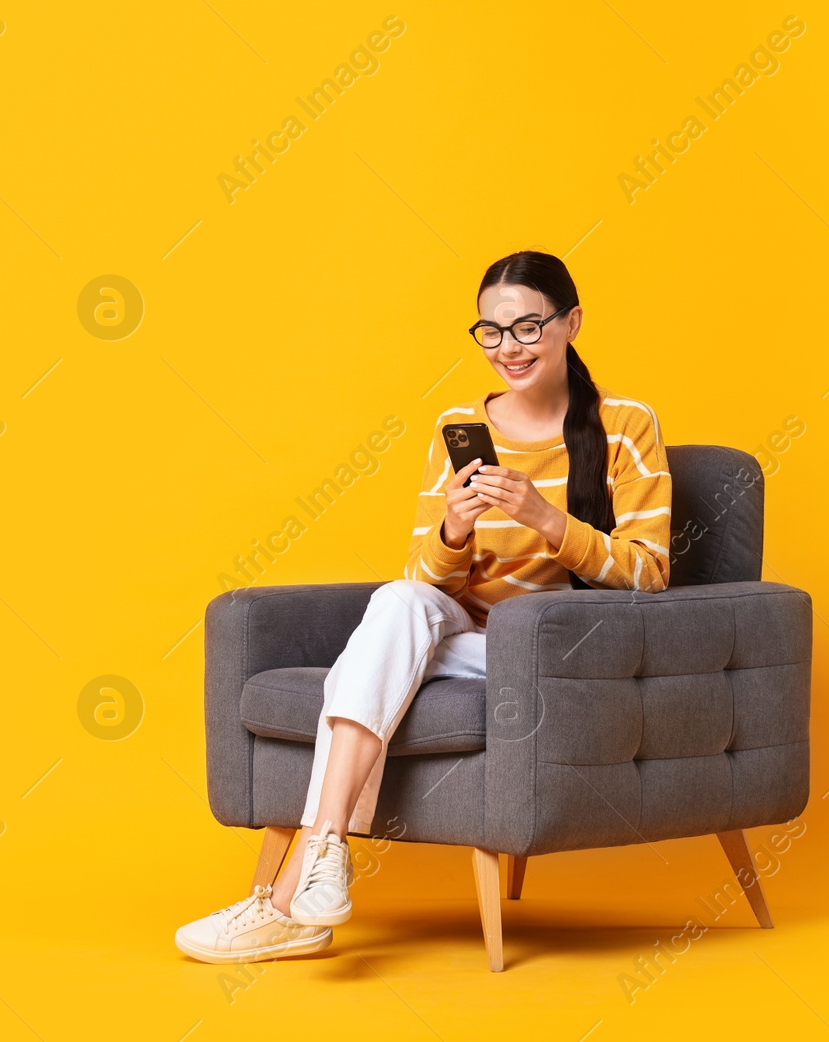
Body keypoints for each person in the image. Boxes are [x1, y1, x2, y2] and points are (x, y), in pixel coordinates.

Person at [174, 250, 673, 964]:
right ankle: (324, 856)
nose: (510, 348)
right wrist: (454, 530)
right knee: (397, 601)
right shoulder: (460, 425)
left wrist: (546, 518)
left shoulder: (626, 426)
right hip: (459, 633)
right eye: (492, 332)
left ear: (571, 323)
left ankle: (284, 907)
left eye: (529, 326)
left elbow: (649, 572)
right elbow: (423, 577)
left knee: (370, 657)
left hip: (546, 649)